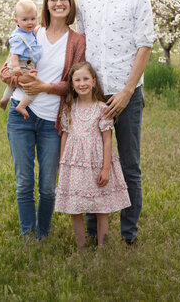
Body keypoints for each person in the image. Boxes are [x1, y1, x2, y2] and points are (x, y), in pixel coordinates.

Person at [77, 0, 154, 245]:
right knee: (93, 163)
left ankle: (129, 234)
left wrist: (126, 91)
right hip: (93, 97)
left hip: (128, 94)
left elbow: (144, 45)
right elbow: (79, 45)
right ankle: (96, 232)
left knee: (130, 165)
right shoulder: (85, 0)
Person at [0, 0, 85, 240]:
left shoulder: (77, 42)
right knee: (25, 182)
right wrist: (24, 82)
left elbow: (74, 85)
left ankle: (43, 235)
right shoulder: (30, 32)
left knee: (48, 187)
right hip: (20, 115)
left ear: (70, 4)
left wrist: (44, 86)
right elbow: (4, 72)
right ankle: (28, 235)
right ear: (46, 5)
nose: (58, 3)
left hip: (52, 122)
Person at [55, 62, 130, 249]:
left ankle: (102, 245)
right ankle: (81, 245)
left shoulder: (102, 109)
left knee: (100, 206)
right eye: (77, 80)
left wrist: (106, 168)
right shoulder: (69, 108)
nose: (82, 83)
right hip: (74, 165)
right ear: (72, 84)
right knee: (75, 206)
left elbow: (107, 140)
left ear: (94, 82)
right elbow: (65, 134)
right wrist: (62, 163)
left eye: (86, 79)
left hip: (96, 164)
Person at [0, 0, 42, 117]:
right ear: (16, 21)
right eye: (25, 20)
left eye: (33, 19)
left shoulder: (28, 32)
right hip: (21, 64)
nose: (30, 23)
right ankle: (21, 106)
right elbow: (15, 54)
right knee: (33, 85)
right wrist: (17, 67)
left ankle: (5, 98)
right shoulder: (19, 37)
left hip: (21, 64)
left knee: (12, 85)